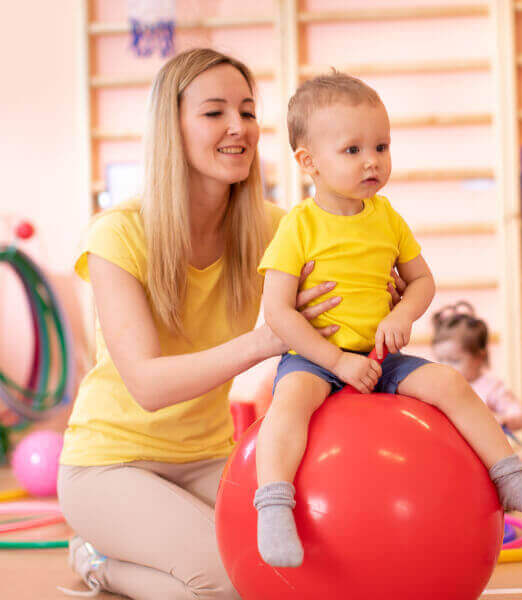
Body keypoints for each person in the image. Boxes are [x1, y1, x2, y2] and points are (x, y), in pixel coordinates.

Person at [56, 49, 345, 599]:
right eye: (214, 112)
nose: (238, 127)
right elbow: (147, 385)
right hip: (109, 465)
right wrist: (264, 340)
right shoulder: (116, 236)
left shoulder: (272, 227)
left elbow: (336, 305)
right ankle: (99, 561)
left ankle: (112, 559)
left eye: (247, 110)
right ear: (173, 127)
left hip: (208, 457)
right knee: (228, 584)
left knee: (294, 570)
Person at [252, 70, 522, 568]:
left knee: (450, 383)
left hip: (382, 359)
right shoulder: (298, 226)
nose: (372, 160)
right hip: (315, 359)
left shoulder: (388, 217)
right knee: (287, 405)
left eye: (381, 145)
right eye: (352, 150)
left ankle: (511, 479)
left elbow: (422, 282)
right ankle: (273, 504)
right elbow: (277, 311)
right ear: (308, 162)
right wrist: (334, 358)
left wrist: (402, 313)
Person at [431, 301, 522, 433]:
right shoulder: (438, 387)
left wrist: (504, 420)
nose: (445, 367)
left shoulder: (491, 387)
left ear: (479, 357)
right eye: (440, 360)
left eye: (454, 360)